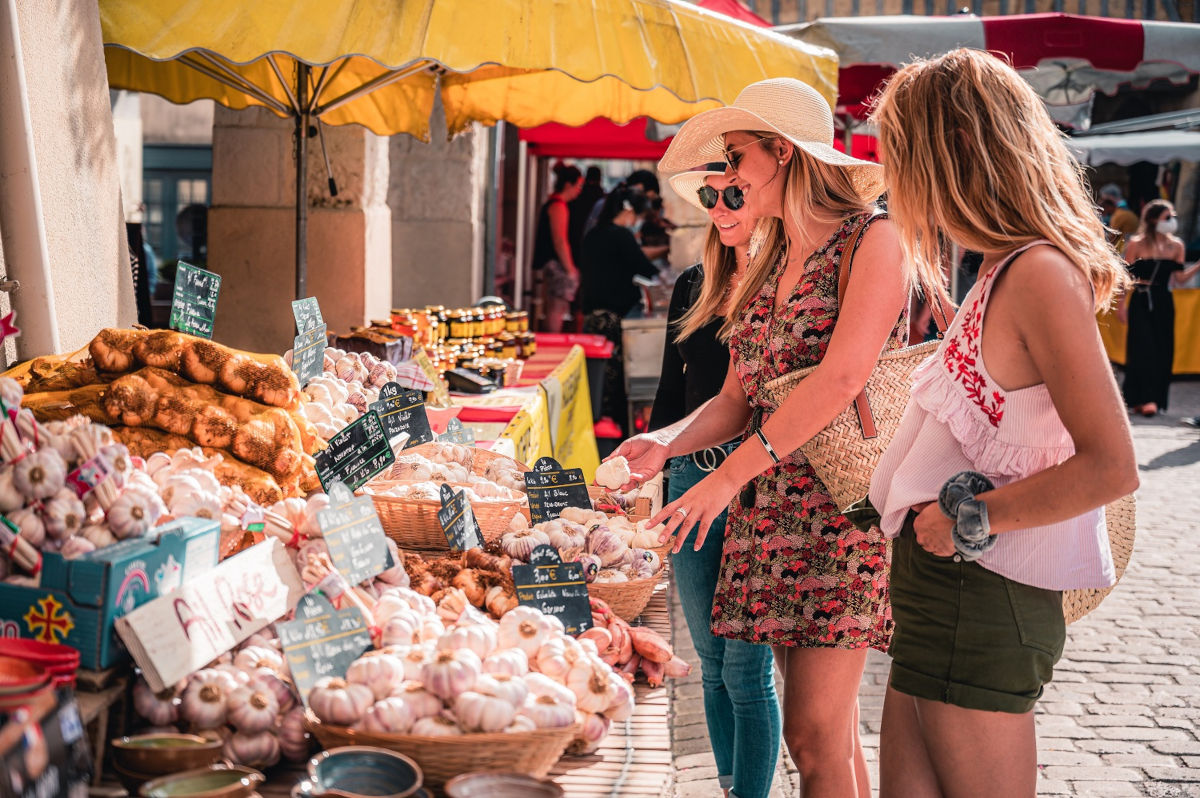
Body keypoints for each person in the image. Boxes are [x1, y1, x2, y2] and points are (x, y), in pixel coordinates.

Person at [618, 77, 909, 797]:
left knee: (810, 733)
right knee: (829, 737)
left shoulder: (875, 238)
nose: (728, 171)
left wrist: (722, 479)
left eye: (737, 154)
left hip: (839, 514)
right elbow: (734, 397)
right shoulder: (769, 257)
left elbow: (841, 380)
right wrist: (665, 443)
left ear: (782, 153)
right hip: (770, 514)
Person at [867, 49, 1140, 798]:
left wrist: (968, 522)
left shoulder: (1039, 273)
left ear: (947, 153)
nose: (892, 176)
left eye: (900, 154)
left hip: (981, 586)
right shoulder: (1000, 268)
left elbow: (1110, 466)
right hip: (943, 586)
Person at [649, 166, 783, 798]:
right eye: (711, 196)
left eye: (733, 192)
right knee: (708, 661)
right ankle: (731, 787)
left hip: (757, 487)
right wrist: (654, 464)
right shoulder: (694, 283)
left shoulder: (788, 284)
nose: (721, 206)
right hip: (686, 481)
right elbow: (673, 389)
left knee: (745, 669)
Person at [580, 188, 659, 432]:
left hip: (592, 317)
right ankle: (613, 429)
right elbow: (645, 268)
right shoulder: (622, 236)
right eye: (635, 215)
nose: (636, 222)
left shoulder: (593, 234)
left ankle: (595, 423)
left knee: (595, 377)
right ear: (627, 210)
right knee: (613, 381)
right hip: (613, 318)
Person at [1119, 200, 1200, 416]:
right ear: (1154, 219)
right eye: (1167, 217)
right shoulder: (1136, 244)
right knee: (1140, 348)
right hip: (1141, 299)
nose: (1171, 220)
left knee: (1162, 349)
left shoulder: (1177, 246)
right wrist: (1121, 306)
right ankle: (1140, 398)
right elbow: (1126, 278)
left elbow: (1180, 278)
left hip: (1164, 300)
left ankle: (1153, 398)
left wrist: (1198, 265)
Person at [531, 163, 584, 332]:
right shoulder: (558, 205)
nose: (579, 190)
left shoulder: (555, 204)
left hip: (551, 263)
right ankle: (552, 339)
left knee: (555, 307)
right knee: (556, 307)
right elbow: (560, 240)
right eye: (578, 186)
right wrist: (570, 269)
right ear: (568, 185)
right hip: (555, 264)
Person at [569, 166, 605, 257]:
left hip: (574, 239)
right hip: (595, 243)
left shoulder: (577, 195)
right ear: (600, 179)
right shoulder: (603, 198)